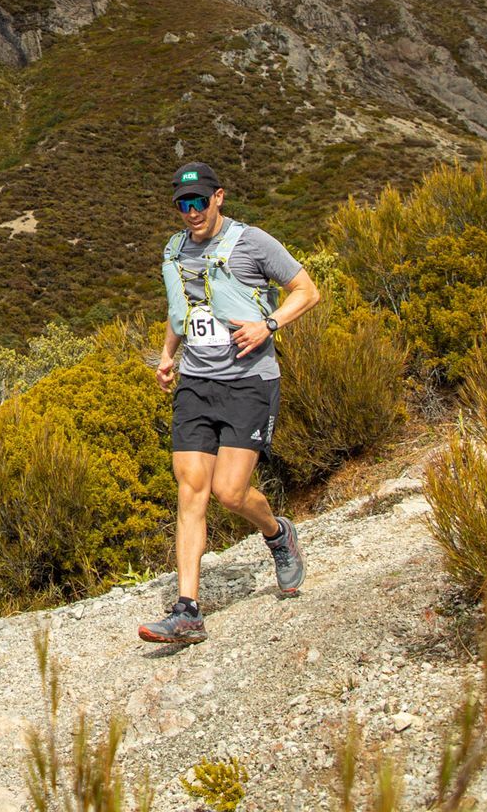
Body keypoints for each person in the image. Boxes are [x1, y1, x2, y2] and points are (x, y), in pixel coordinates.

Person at [139, 162, 321, 645]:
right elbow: (182, 310)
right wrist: (167, 356)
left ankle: (277, 533)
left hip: (249, 383)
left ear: (219, 197)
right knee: (190, 491)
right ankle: (187, 610)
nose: (192, 212)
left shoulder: (253, 242)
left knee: (230, 493)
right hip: (197, 383)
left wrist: (270, 324)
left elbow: (307, 289)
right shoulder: (176, 250)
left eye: (200, 201)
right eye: (184, 204)